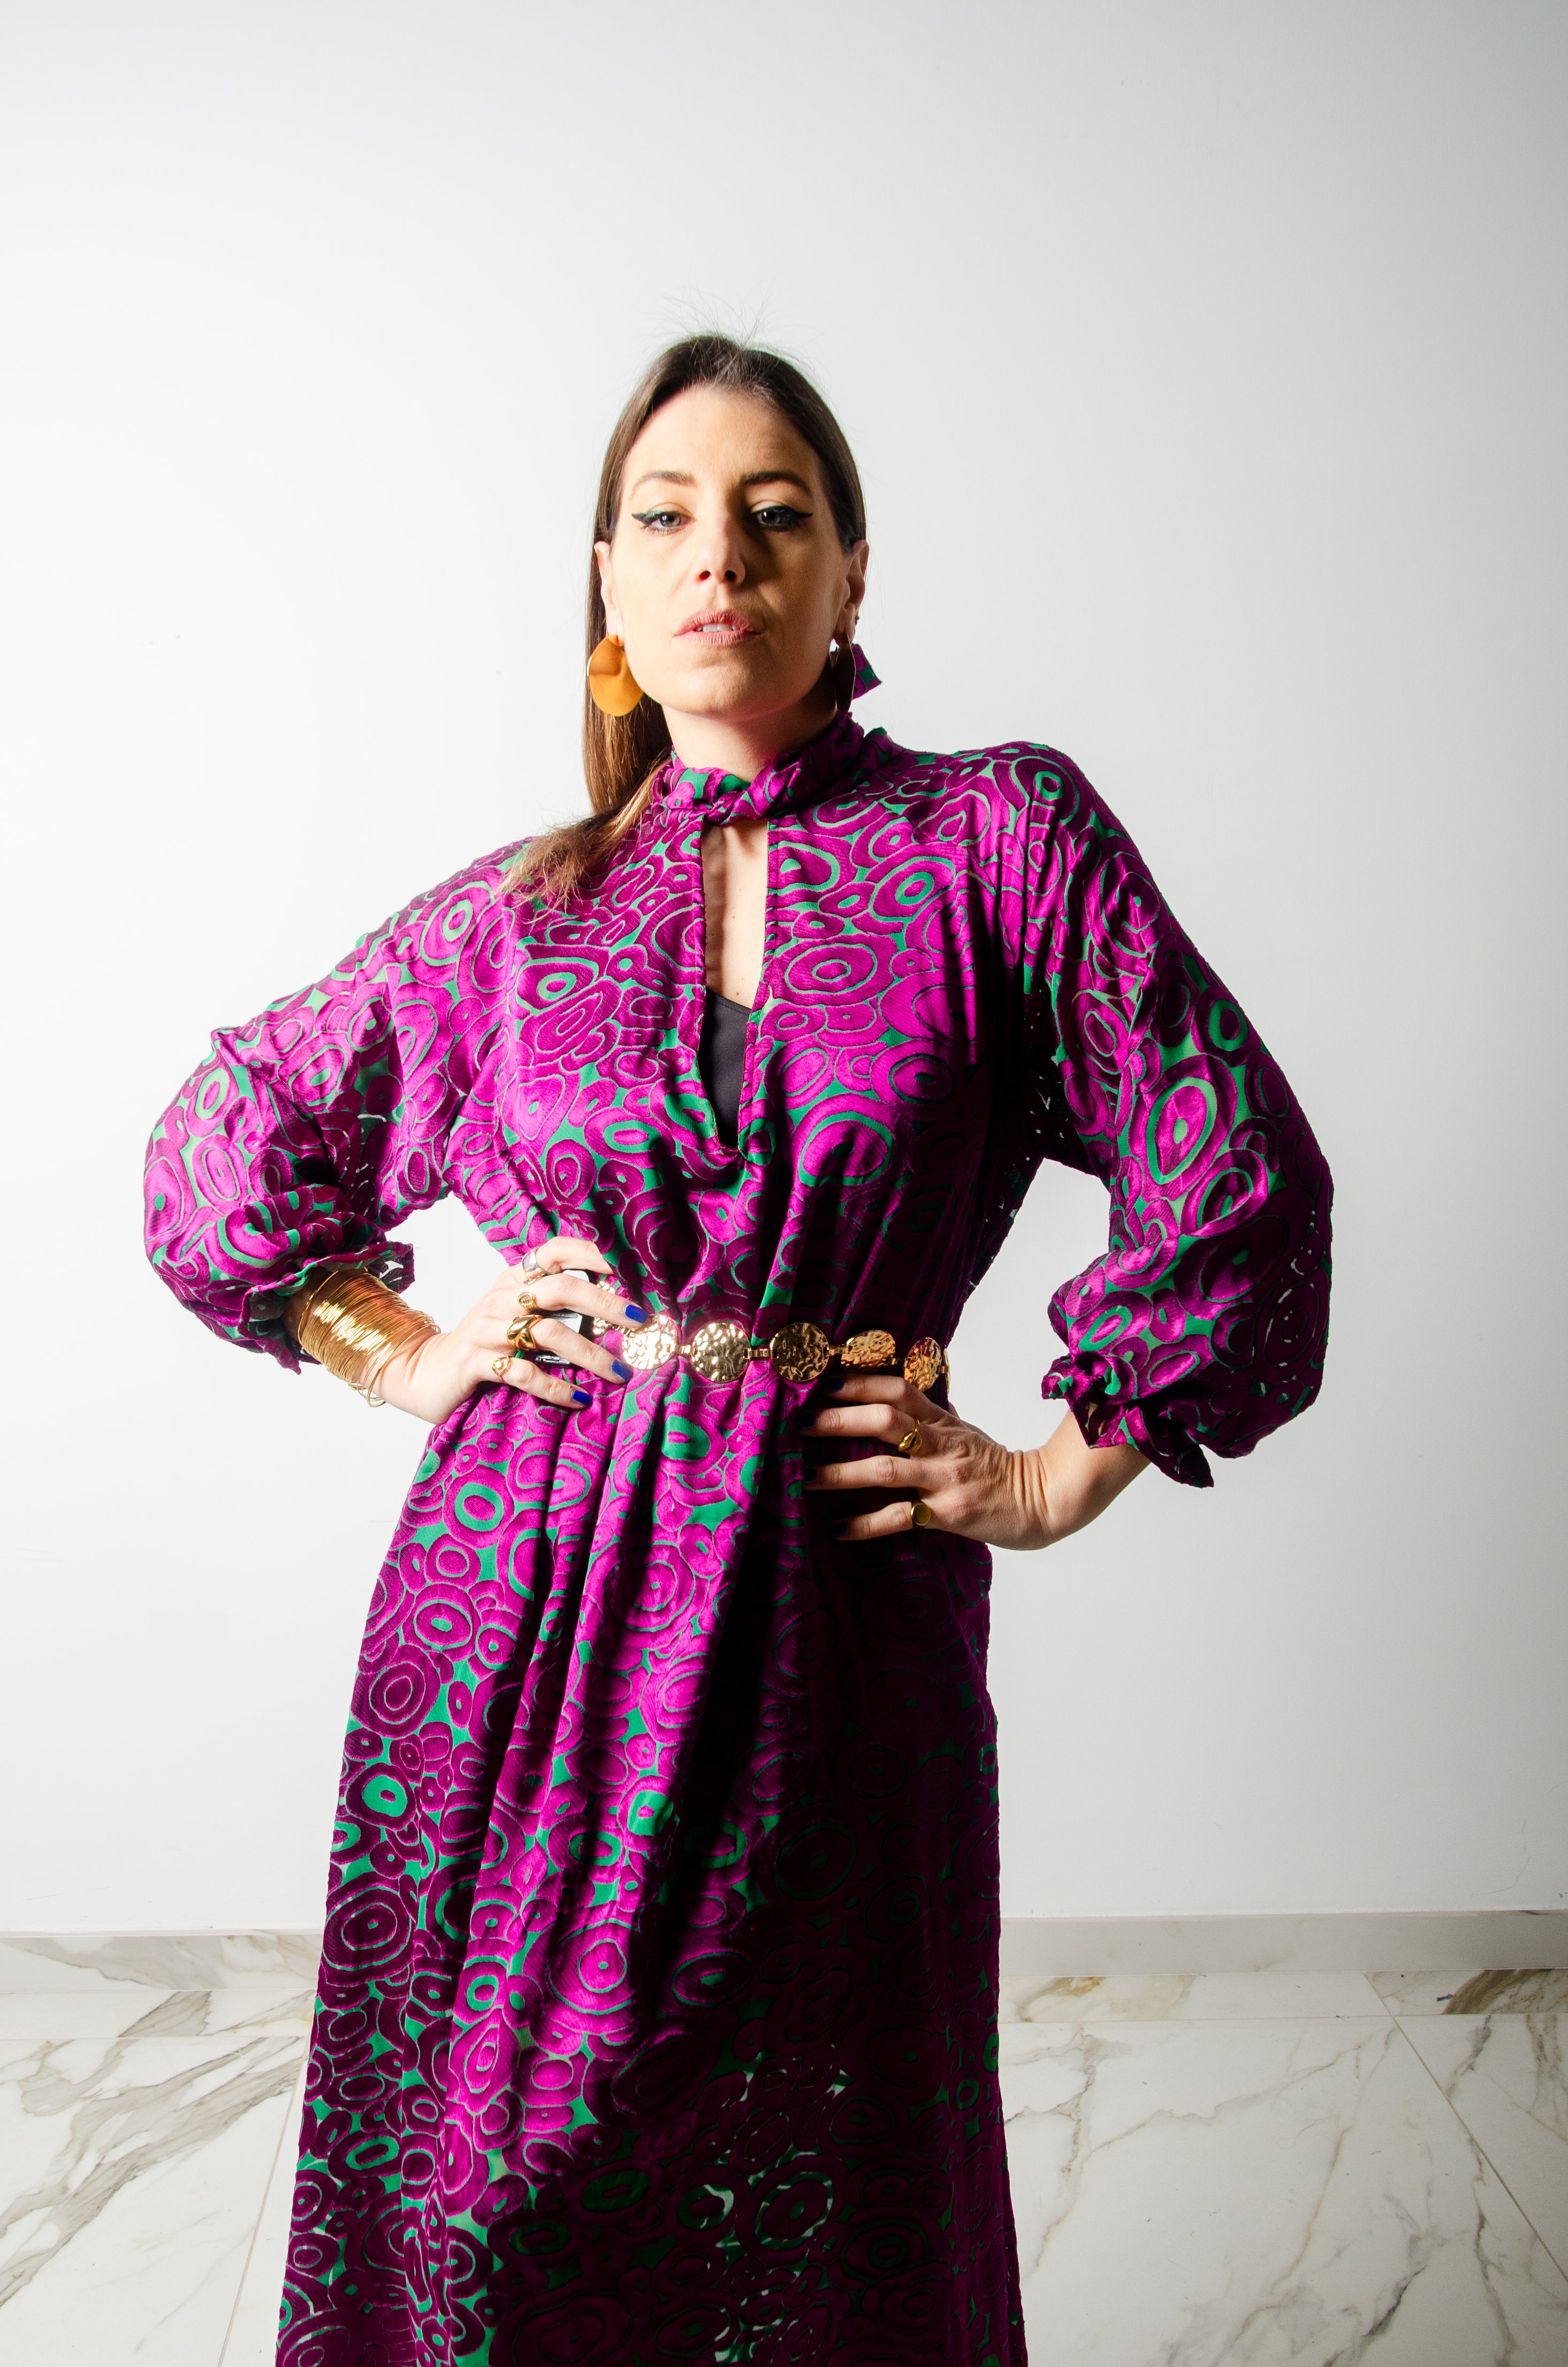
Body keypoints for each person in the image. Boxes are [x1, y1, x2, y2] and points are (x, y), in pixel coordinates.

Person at [144, 333, 1332, 2367]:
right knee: (495, 2191)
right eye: (669, 517)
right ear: (608, 583)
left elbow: (1237, 1169)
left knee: (819, 2175)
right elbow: (222, 1142)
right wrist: (401, 1350)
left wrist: (1057, 1472)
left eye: (776, 516)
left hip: (831, 1616)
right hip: (514, 1615)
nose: (721, 557)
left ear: (852, 573)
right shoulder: (521, 916)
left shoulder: (996, 838)